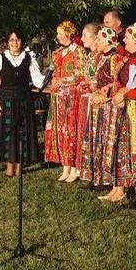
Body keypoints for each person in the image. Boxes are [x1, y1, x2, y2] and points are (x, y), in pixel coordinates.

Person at [101, 23, 136, 202]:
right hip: (128, 109)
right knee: (125, 147)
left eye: (128, 37)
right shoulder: (132, 59)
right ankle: (122, 187)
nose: (124, 39)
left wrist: (125, 93)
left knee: (135, 147)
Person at [0, 31, 45, 177]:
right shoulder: (0, 59)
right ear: (8, 42)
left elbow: (38, 80)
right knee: (8, 132)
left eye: (18, 39)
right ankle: (9, 166)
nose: (15, 43)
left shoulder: (29, 58)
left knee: (22, 133)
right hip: (5, 100)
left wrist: (52, 75)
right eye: (12, 40)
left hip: (23, 100)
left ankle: (19, 166)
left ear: (22, 41)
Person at [82, 28, 124, 187]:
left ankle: (108, 179)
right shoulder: (100, 57)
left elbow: (117, 82)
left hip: (107, 106)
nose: (96, 42)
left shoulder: (115, 58)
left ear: (107, 41)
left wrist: (104, 91)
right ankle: (97, 176)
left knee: (107, 141)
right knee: (97, 140)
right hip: (97, 104)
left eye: (99, 39)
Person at [45, 21, 84, 183]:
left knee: (70, 129)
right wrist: (53, 81)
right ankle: (65, 166)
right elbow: (53, 72)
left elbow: (79, 74)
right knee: (60, 129)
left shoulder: (78, 51)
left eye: (60, 33)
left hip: (71, 96)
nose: (58, 36)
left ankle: (74, 167)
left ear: (68, 33)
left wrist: (61, 80)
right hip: (58, 97)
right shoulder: (57, 53)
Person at [74, 23, 101, 182]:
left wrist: (90, 85)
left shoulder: (99, 56)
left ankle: (94, 171)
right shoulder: (90, 55)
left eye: (85, 35)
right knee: (85, 134)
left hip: (95, 100)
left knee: (94, 135)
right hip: (86, 99)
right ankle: (85, 170)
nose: (82, 39)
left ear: (95, 37)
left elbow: (101, 80)